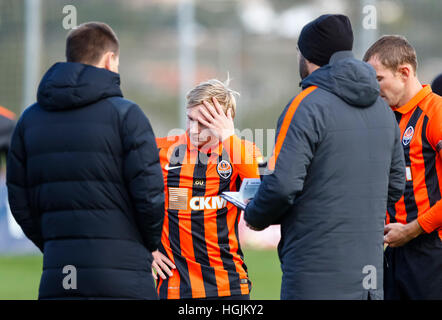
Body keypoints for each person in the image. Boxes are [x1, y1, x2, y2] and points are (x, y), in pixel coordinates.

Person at [243, 14, 405, 300]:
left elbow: (281, 186)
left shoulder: (305, 105)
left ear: (309, 56)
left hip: (315, 274)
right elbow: (393, 186)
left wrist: (255, 215)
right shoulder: (383, 110)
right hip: (370, 277)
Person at [6, 22, 165, 299]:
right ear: (109, 59)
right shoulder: (127, 115)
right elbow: (150, 194)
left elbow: (19, 200)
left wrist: (55, 245)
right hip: (123, 276)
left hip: (59, 274)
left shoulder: (29, 120)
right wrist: (148, 243)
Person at [152, 79, 262, 299]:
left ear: (224, 122)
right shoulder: (160, 150)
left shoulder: (242, 153)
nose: (193, 130)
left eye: (203, 123)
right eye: (190, 119)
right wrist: (146, 246)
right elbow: (121, 196)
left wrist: (229, 137)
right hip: (175, 285)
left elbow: (263, 191)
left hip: (229, 284)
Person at [364, 35, 442, 300]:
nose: (374, 89)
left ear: (404, 72)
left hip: (431, 250)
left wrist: (413, 228)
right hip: (395, 249)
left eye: (378, 79)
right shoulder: (386, 119)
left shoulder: (436, 113)